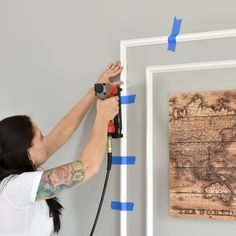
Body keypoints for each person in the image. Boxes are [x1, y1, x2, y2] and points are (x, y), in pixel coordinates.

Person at [0, 61, 123, 236]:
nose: (46, 141)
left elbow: (60, 133)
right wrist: (103, 117)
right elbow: (88, 166)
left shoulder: (15, 174)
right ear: (28, 154)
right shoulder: (15, 187)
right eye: (41, 138)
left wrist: (95, 91)